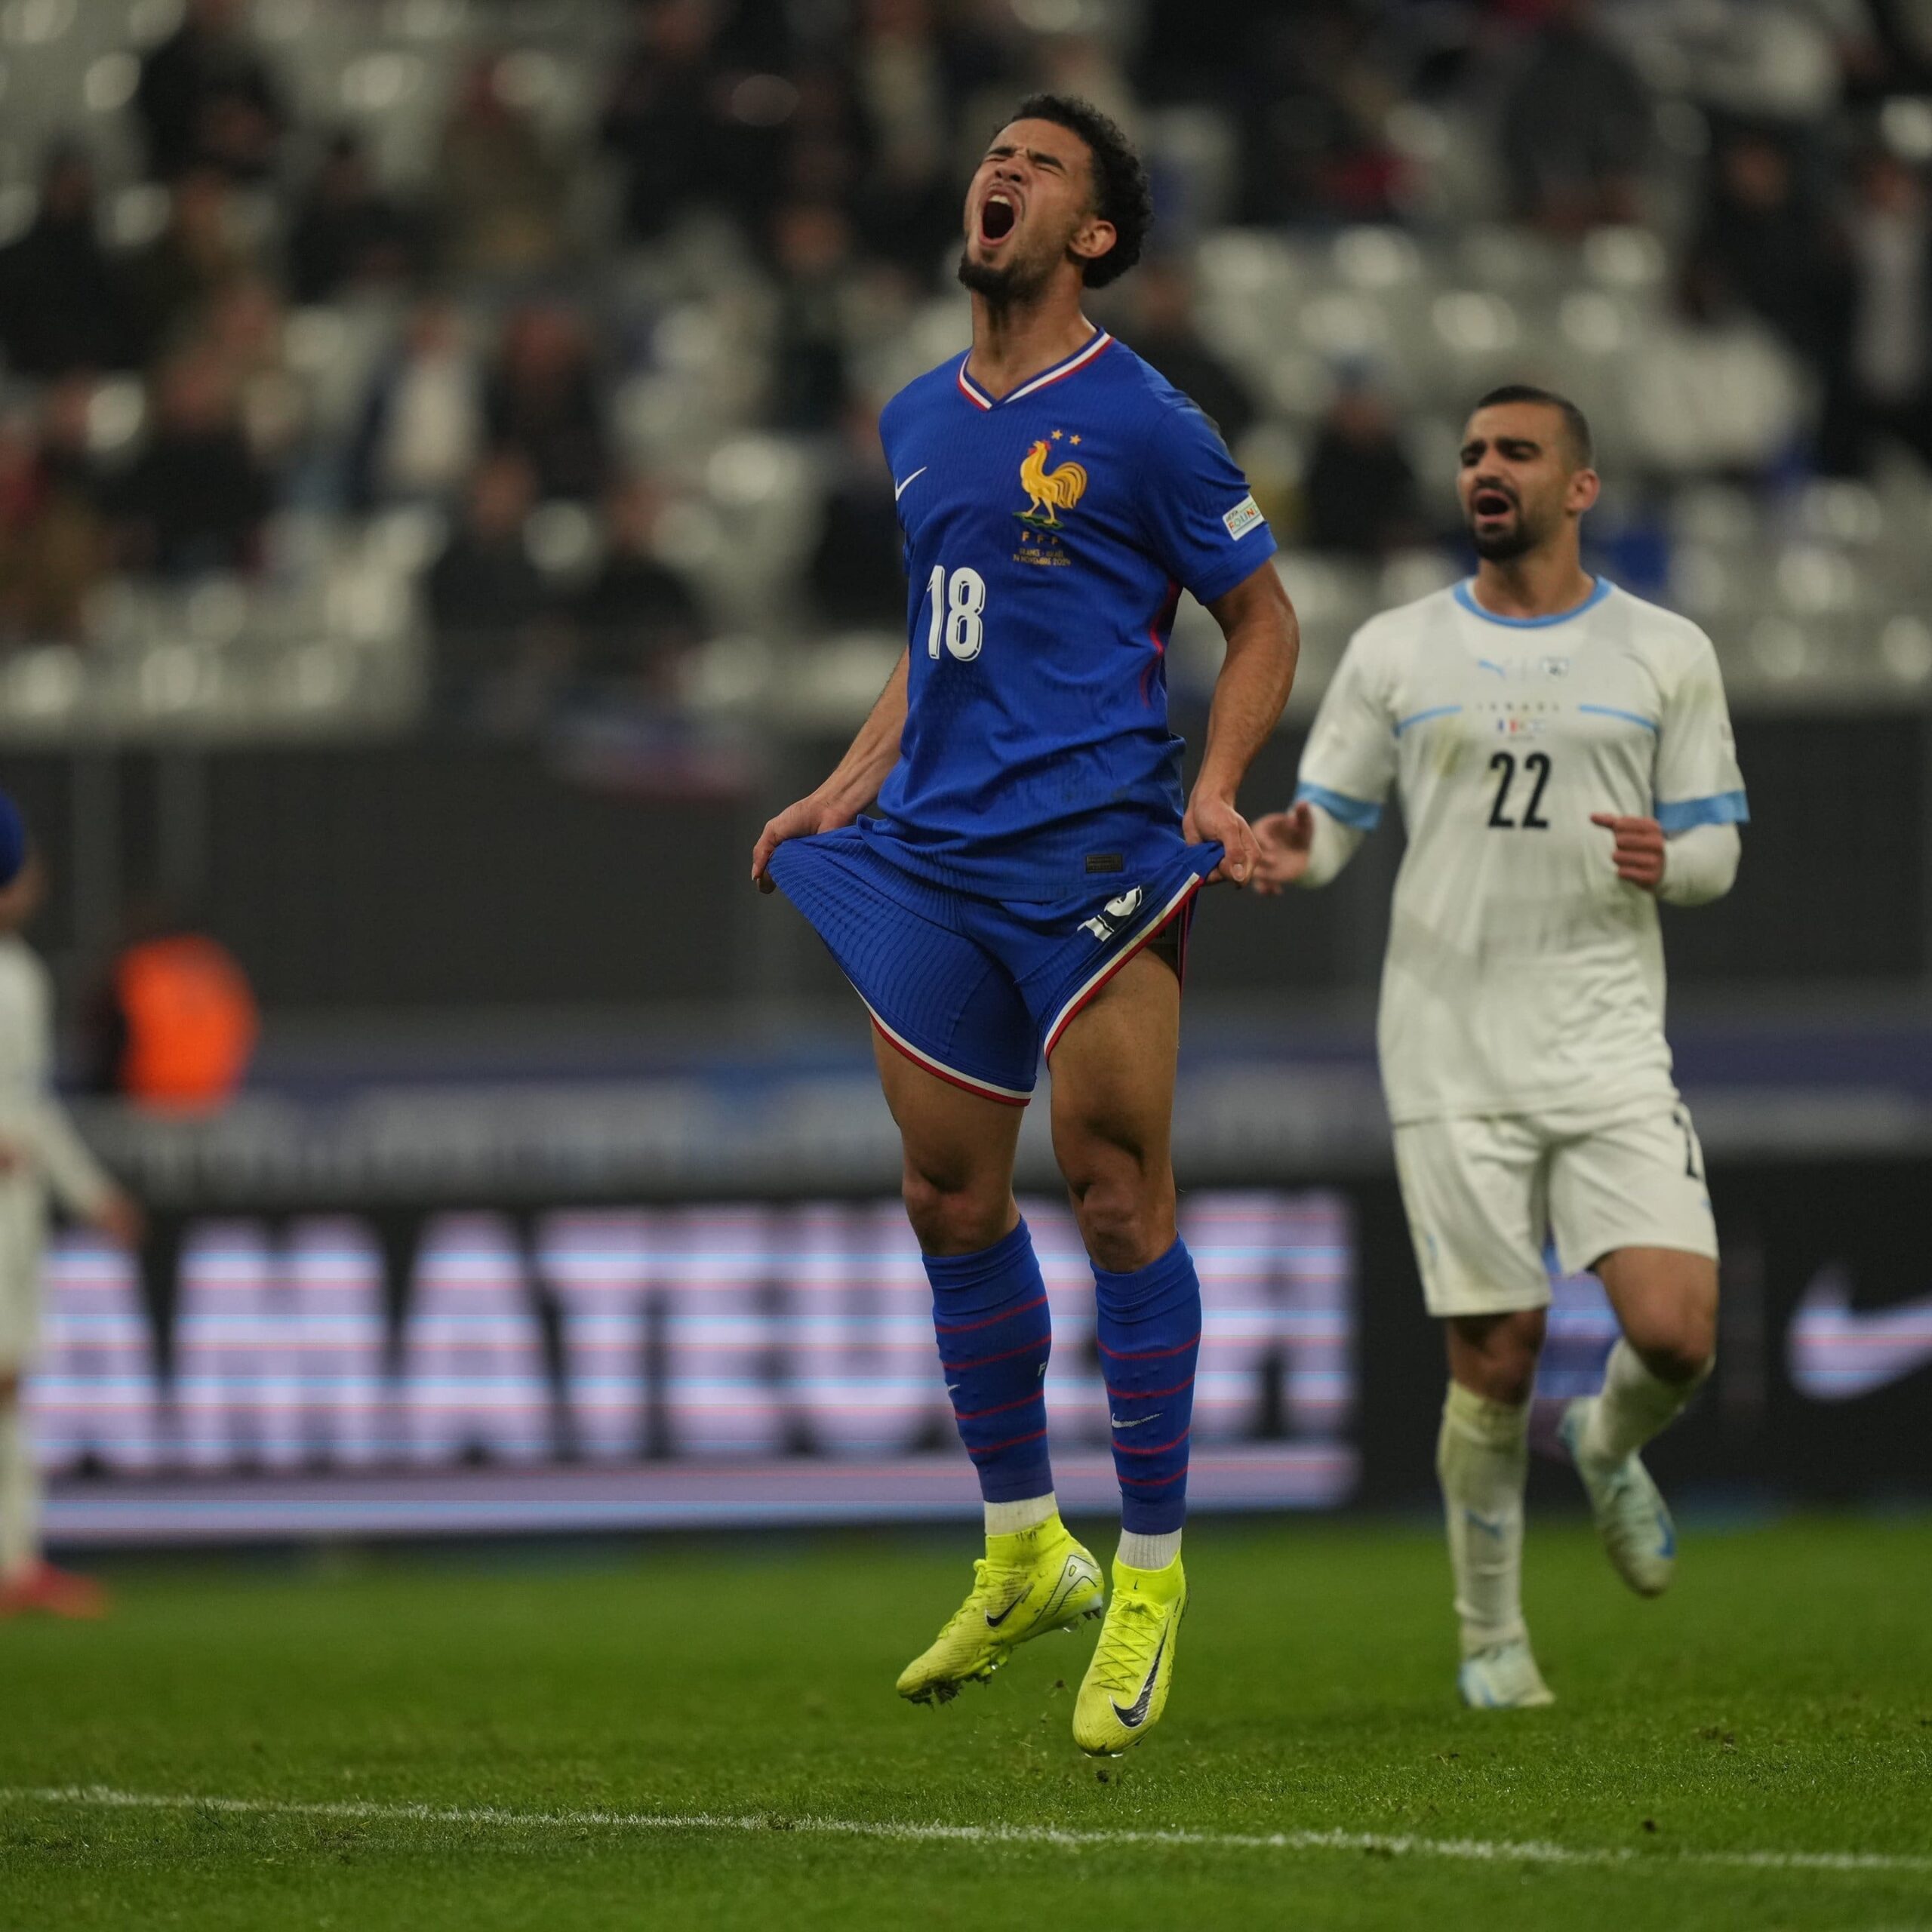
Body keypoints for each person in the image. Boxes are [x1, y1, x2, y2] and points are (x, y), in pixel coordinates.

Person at [752, 95, 1298, 1755]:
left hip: (1097, 855)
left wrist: (1215, 785)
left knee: (1118, 1188)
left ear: (1095, 235)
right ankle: (1019, 1547)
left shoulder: (1142, 418)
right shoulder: (916, 414)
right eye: (991, 151)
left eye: (1041, 163)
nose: (999, 169)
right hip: (933, 849)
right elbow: (942, 640)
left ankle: (1147, 1572)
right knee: (944, 1194)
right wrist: (845, 779)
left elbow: (1263, 615)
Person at [1251, 386, 1745, 1709]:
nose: (1486, 469)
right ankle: (1490, 1639)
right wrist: (1294, 851)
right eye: (1472, 452)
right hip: (1448, 1049)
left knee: (1679, 1333)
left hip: (1604, 1040)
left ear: (1579, 487)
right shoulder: (1400, 651)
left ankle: (1606, 1439)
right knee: (1497, 1353)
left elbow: (1716, 844)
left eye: (1516, 452)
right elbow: (1331, 820)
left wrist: (1674, 861)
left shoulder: (1664, 651)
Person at [0, 814, 144, 1617]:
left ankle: (16, 1561)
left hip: (12, 1211)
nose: (34, 883)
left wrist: (91, 1194)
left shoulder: (19, 976)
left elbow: (29, 1105)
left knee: (8, 1380)